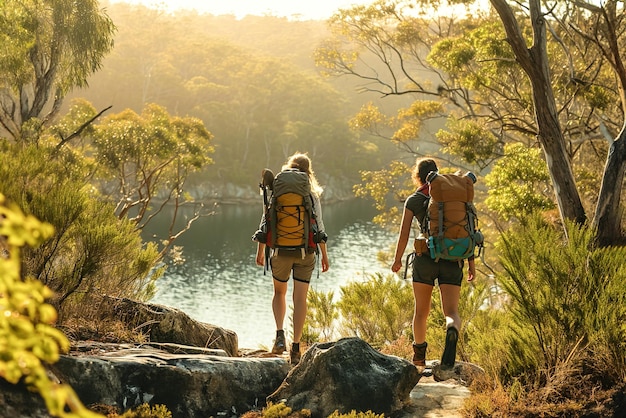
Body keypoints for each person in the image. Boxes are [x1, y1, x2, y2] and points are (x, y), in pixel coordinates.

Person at [391, 157, 475, 372]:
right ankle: (451, 328)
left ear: (418, 177)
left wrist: (398, 259)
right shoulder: (454, 197)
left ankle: (419, 360)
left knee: (421, 312)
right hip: (453, 259)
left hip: (425, 259)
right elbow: (470, 230)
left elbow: (403, 235)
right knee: (451, 311)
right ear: (437, 172)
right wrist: (471, 263)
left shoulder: (414, 200)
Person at [255, 152, 330, 365]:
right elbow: (320, 227)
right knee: (300, 299)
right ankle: (296, 348)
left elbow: (266, 223)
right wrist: (324, 255)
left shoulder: (277, 192)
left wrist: (260, 251)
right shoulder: (311, 195)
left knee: (279, 292)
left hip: (279, 252)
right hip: (305, 253)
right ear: (308, 172)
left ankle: (280, 338)